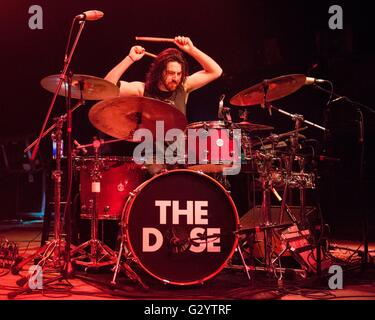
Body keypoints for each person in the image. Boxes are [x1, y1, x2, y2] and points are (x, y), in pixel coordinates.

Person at [104, 36, 223, 116]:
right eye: (171, 73)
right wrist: (130, 59)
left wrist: (191, 49)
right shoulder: (142, 90)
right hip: (150, 152)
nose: (175, 78)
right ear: (159, 72)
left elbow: (216, 71)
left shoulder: (183, 87)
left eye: (179, 73)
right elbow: (106, 88)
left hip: (179, 153)